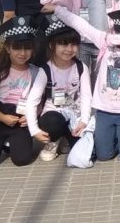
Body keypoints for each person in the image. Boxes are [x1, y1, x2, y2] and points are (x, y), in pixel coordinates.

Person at [52, 5, 120, 163]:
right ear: (116, 30)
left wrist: (112, 37)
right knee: (104, 155)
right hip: (104, 111)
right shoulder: (105, 43)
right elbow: (81, 25)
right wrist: (58, 10)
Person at [0, 17, 41, 168]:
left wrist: (32, 116)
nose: (22, 53)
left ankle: (10, 144)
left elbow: (41, 100)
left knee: (22, 160)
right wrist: (2, 117)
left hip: (21, 120)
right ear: (7, 48)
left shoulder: (36, 72)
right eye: (17, 48)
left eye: (27, 48)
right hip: (0, 118)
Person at [25, 20, 91, 162]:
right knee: (53, 122)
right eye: (63, 44)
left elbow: (86, 97)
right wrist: (34, 130)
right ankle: (53, 141)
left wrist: (84, 121)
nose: (69, 49)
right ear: (51, 45)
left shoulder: (81, 68)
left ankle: (67, 138)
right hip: (53, 114)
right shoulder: (45, 70)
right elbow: (32, 101)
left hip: (75, 116)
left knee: (88, 153)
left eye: (73, 44)